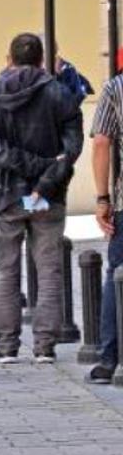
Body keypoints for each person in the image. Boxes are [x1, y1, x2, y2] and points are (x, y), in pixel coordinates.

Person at [0, 32, 83, 364]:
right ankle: (44, 345)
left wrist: (26, 167)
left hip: (5, 193)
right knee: (49, 269)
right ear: (41, 60)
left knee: (5, 270)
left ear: (9, 58)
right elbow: (72, 148)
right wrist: (45, 174)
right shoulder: (60, 94)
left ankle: (7, 345)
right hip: (47, 195)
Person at [89, 64, 123, 383]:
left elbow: (101, 142)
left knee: (117, 274)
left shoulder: (116, 87)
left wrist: (102, 198)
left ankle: (109, 359)